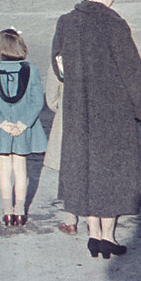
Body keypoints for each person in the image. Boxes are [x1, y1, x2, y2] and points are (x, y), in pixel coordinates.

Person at [52, 0, 141, 258]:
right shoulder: (115, 24)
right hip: (113, 110)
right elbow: (132, 71)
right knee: (111, 171)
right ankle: (107, 236)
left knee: (86, 168)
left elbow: (58, 65)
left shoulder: (66, 22)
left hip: (78, 109)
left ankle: (93, 234)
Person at [0, 29, 47, 226]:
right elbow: (37, 101)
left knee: (4, 169)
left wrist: (2, 123)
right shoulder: (31, 70)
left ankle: (7, 211)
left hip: (0, 128)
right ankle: (20, 210)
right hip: (23, 127)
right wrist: (23, 123)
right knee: (20, 168)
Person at [43, 65, 78, 234]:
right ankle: (94, 220)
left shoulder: (60, 57)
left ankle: (71, 220)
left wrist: (61, 106)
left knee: (69, 168)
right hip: (95, 118)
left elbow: (52, 99)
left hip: (68, 117)